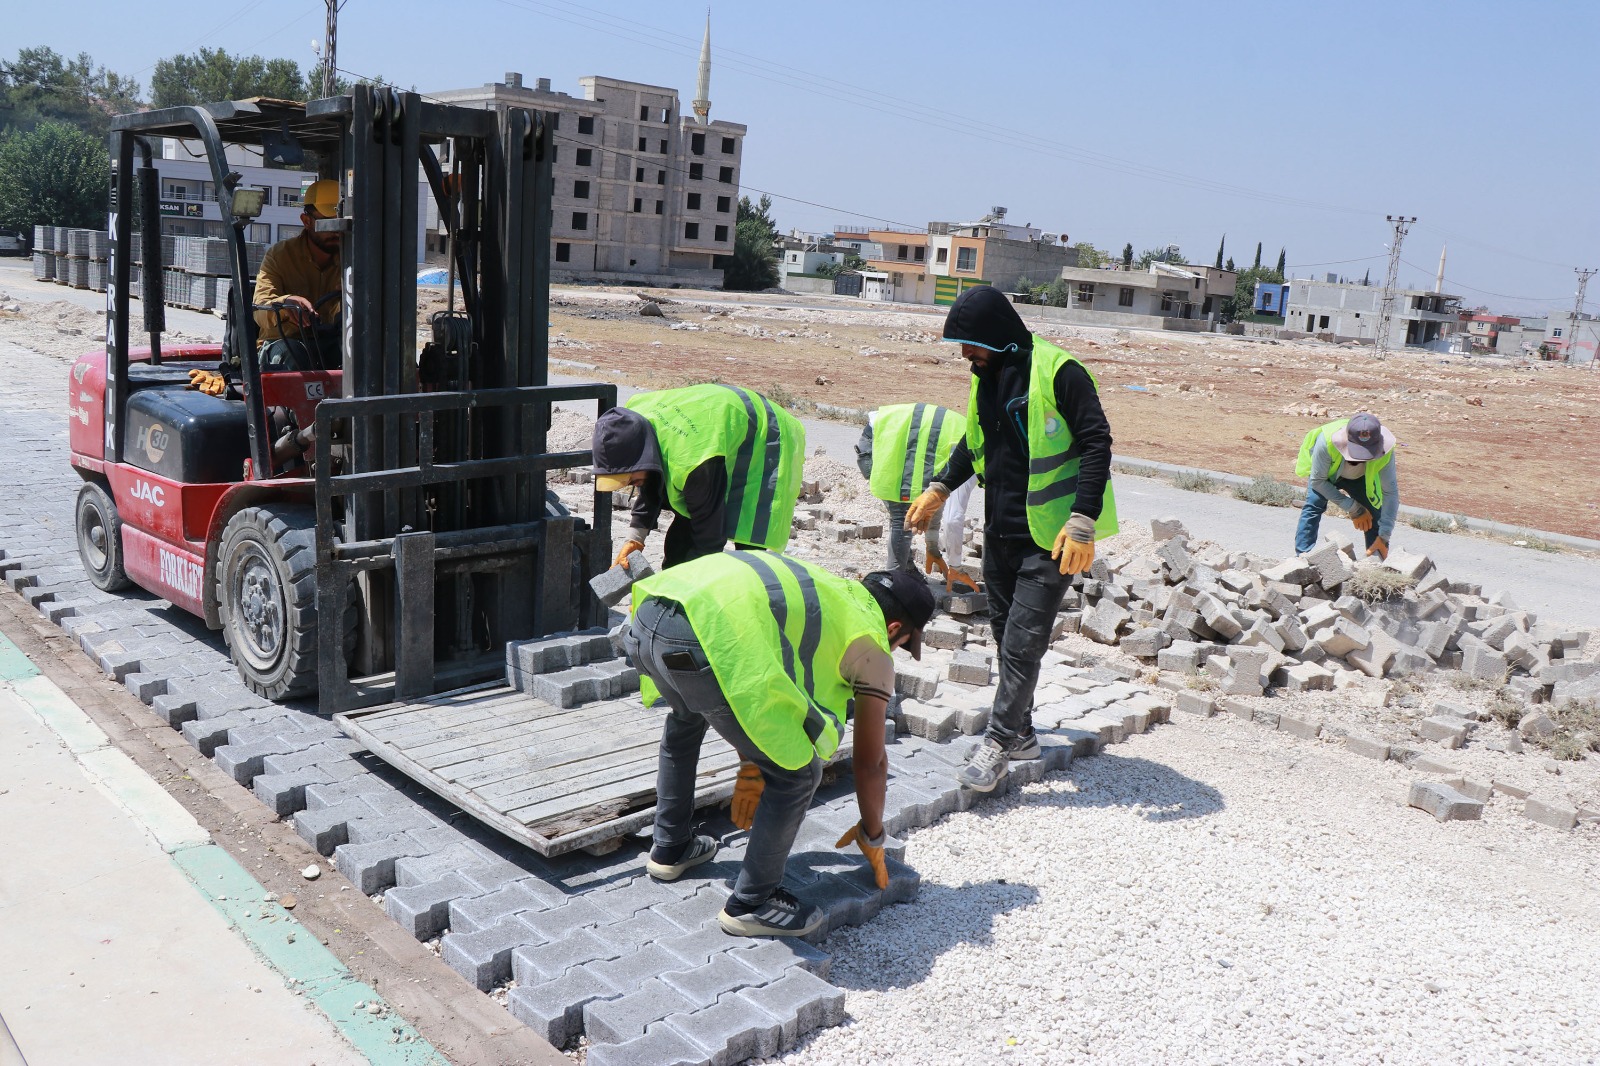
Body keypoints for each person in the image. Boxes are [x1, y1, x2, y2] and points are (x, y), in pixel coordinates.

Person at [625, 554, 935, 937]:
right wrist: (872, 836)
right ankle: (753, 902)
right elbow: (871, 762)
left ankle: (670, 847)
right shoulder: (871, 645)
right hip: (700, 634)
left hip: (651, 610)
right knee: (798, 775)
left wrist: (751, 763)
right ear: (893, 628)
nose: (896, 654)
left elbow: (760, 661)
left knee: (686, 718)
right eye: (903, 644)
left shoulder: (830, 587)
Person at [906, 285, 1117, 793]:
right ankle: (1021, 732)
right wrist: (941, 486)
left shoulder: (1060, 372)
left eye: (969, 345)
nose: (965, 356)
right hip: (999, 531)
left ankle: (999, 744)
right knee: (1005, 636)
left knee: (1023, 645)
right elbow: (975, 440)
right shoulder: (986, 374)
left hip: (1051, 538)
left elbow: (1096, 441)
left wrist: (1083, 519)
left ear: (997, 337)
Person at [591, 384, 806, 570]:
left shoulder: (692, 461)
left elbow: (709, 538)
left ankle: (751, 600)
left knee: (749, 541)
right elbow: (652, 480)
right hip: (715, 423)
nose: (631, 484)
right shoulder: (631, 423)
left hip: (765, 434)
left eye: (630, 479)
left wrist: (683, 592)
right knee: (686, 527)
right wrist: (635, 539)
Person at [854, 403, 977, 589]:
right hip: (877, 443)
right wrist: (956, 567)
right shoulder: (972, 458)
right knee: (903, 520)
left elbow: (935, 500)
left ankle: (907, 569)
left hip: (890, 437)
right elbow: (953, 518)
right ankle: (892, 586)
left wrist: (932, 547)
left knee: (918, 505)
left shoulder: (974, 441)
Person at [252, 178, 342, 370]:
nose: (335, 231)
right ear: (307, 221)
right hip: (284, 343)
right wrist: (285, 303)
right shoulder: (280, 255)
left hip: (329, 341)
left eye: (339, 223)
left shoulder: (353, 260)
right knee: (295, 355)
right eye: (327, 223)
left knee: (365, 353)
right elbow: (260, 311)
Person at [1293, 412, 1398, 559]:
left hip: (1359, 478)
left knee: (1374, 514)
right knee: (1314, 505)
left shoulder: (1385, 451)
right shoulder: (1327, 441)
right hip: (1326, 475)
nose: (1359, 458)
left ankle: (1374, 563)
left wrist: (1385, 535)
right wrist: (1355, 509)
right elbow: (1318, 481)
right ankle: (1303, 558)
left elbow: (1390, 493)